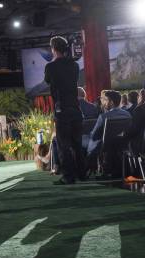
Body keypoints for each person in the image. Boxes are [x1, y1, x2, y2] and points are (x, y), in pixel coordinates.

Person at [44, 36, 85, 185]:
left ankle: (68, 176)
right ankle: (82, 173)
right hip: (75, 108)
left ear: (53, 49)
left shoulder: (50, 67)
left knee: (64, 145)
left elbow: (48, 80)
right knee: (77, 143)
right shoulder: (74, 66)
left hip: (62, 109)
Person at [84, 90, 131, 175]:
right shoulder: (127, 114)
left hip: (104, 145)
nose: (103, 102)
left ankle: (83, 169)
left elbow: (94, 135)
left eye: (105, 100)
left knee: (84, 140)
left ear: (111, 102)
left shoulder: (103, 116)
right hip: (123, 143)